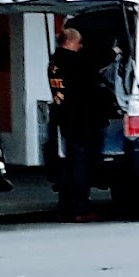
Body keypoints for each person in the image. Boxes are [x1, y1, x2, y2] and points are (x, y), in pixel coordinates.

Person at [47, 27, 102, 222]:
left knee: (69, 164)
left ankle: (64, 206)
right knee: (80, 165)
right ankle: (81, 208)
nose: (81, 47)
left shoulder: (54, 62)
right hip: (79, 118)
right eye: (79, 43)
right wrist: (114, 52)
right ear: (70, 42)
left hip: (63, 117)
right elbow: (93, 68)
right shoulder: (74, 61)